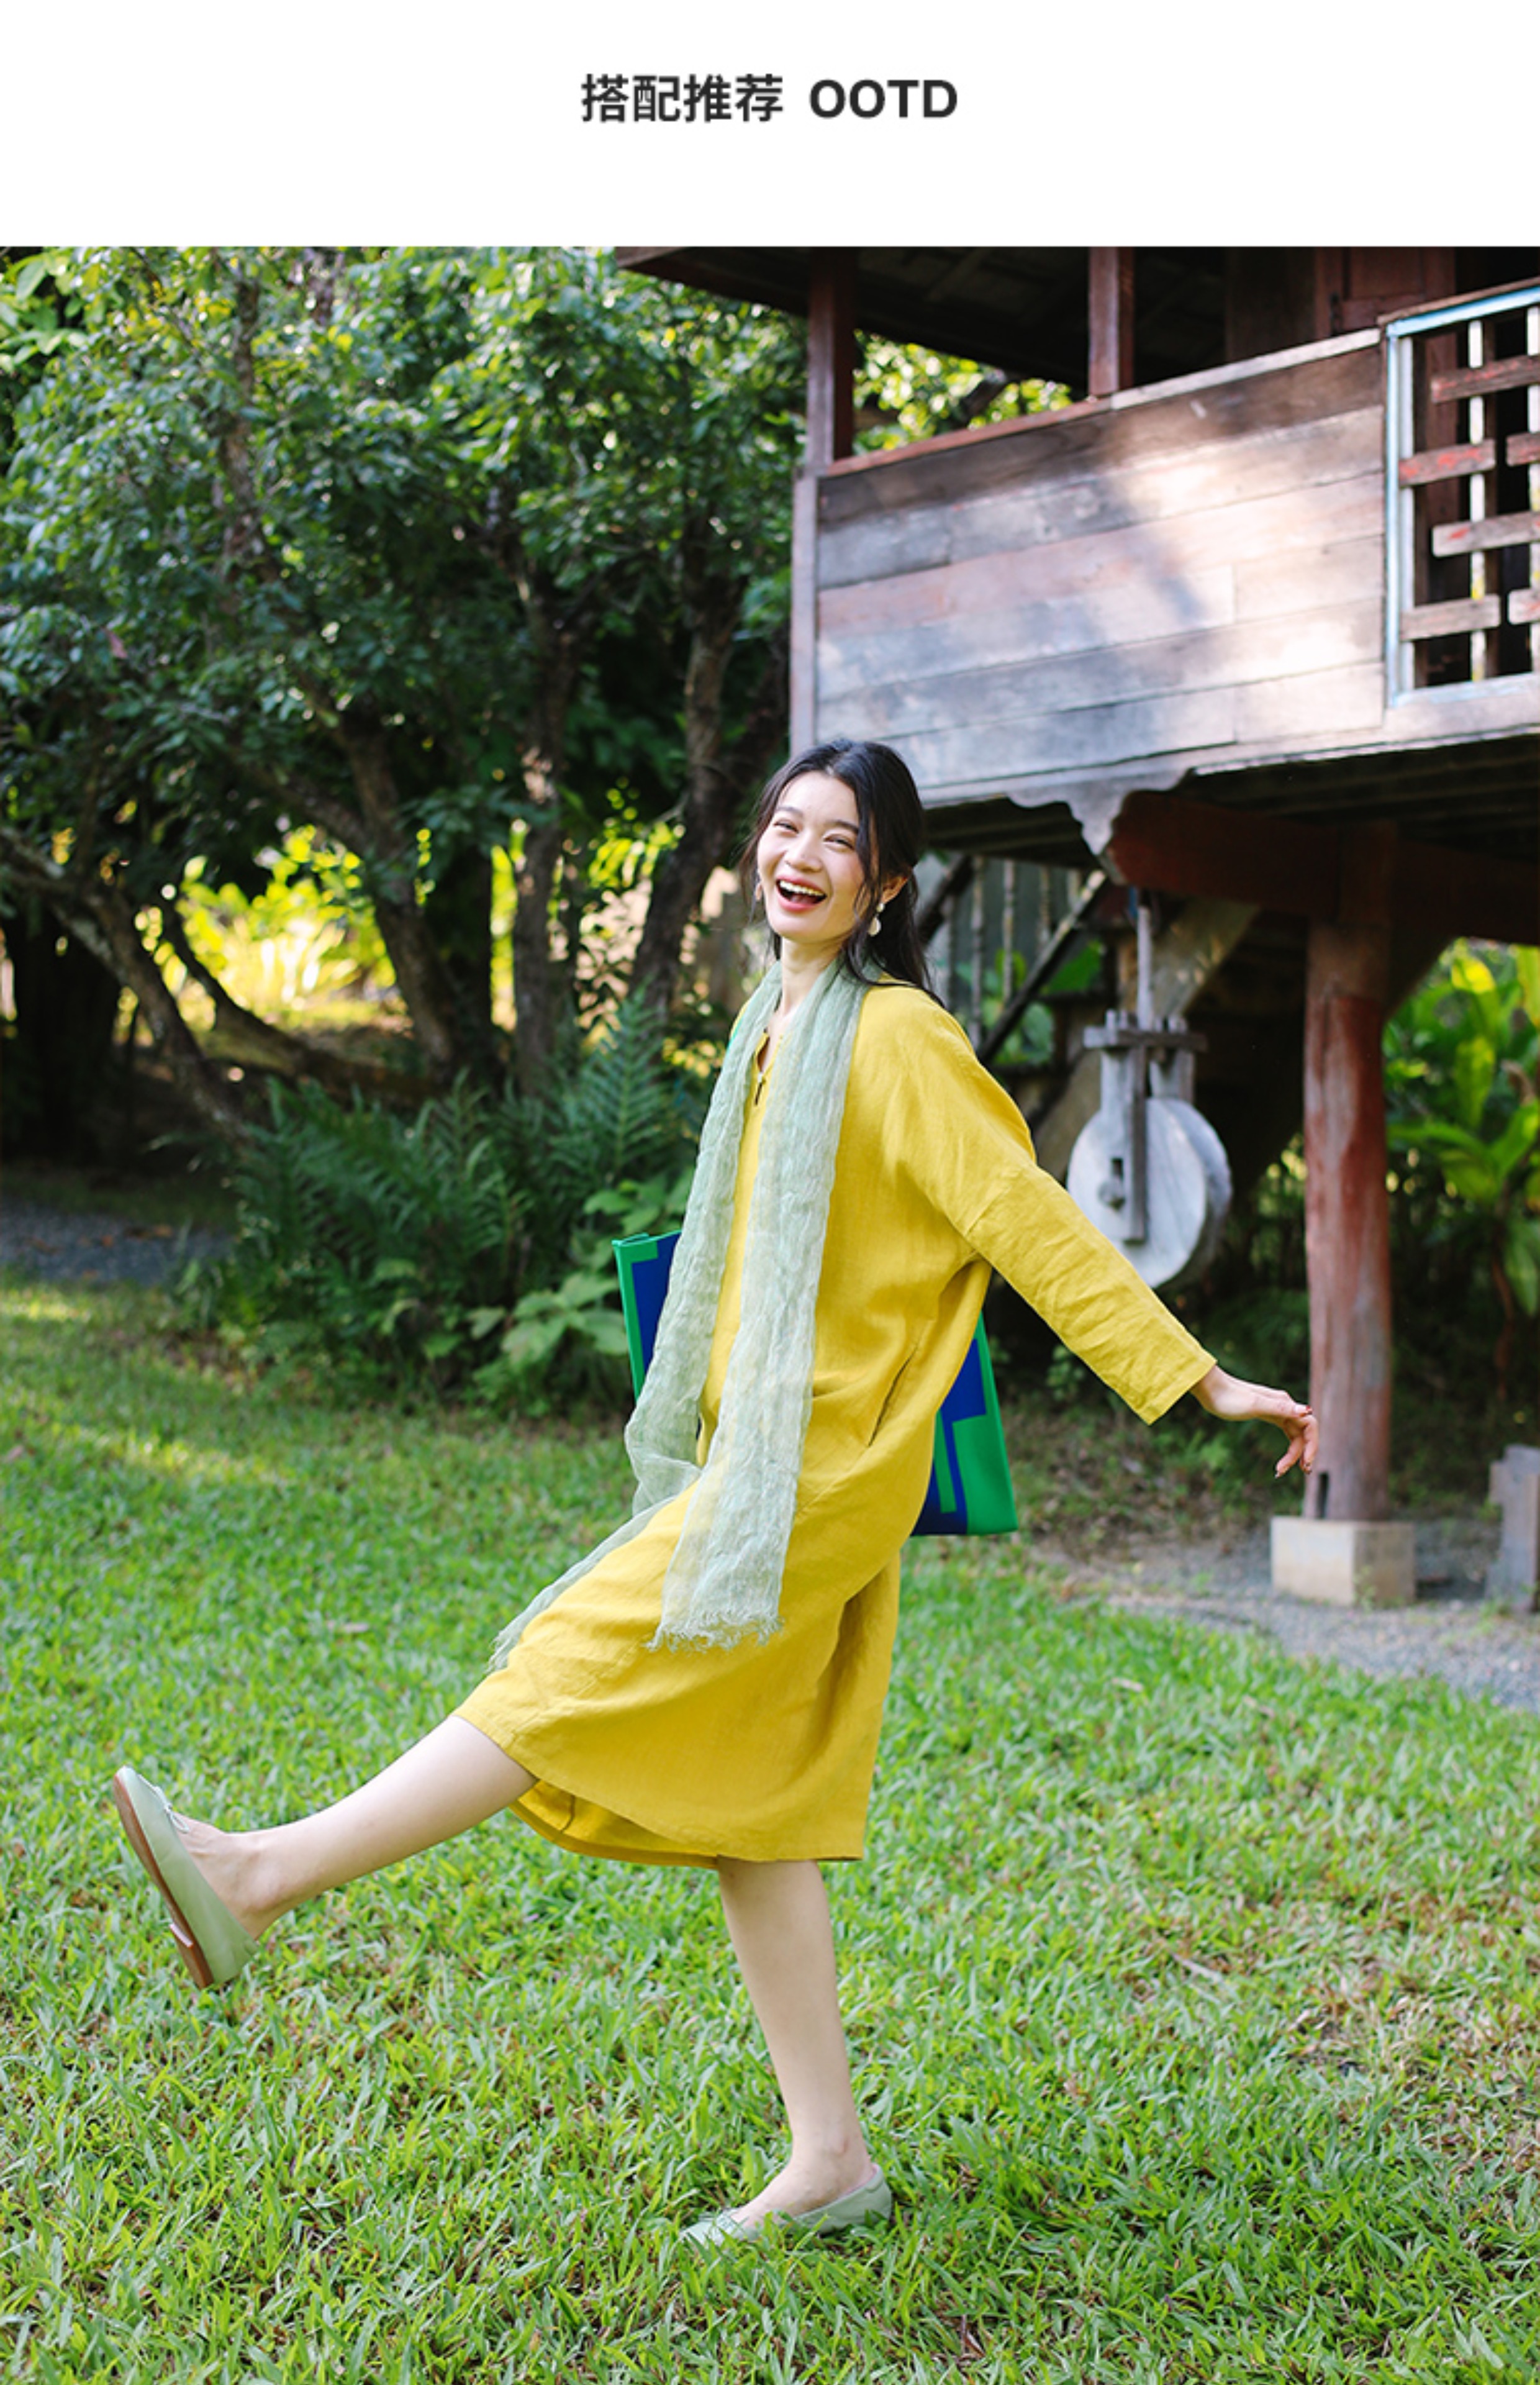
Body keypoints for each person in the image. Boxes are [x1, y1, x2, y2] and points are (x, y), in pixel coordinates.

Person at [112, 738, 1315, 2247]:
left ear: (886, 884)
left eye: (838, 839)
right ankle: (832, 2160)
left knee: (565, 1659)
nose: (799, 856)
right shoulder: (773, 1019)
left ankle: (261, 1876)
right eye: (783, 827)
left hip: (816, 1469)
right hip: (755, 1453)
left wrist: (1194, 1377)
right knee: (761, 1808)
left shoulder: (898, 1041)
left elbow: (1025, 1216)